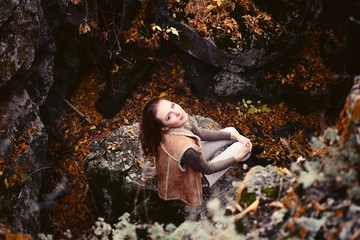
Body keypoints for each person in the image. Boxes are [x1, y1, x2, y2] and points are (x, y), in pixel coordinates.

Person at [139, 98, 272, 207]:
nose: (177, 112)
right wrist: (238, 157)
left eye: (173, 106)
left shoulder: (172, 127)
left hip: (188, 166)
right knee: (238, 148)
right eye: (169, 116)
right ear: (164, 126)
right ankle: (248, 159)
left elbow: (200, 133)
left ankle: (248, 157)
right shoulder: (187, 149)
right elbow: (208, 169)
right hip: (195, 180)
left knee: (233, 131)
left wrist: (234, 136)